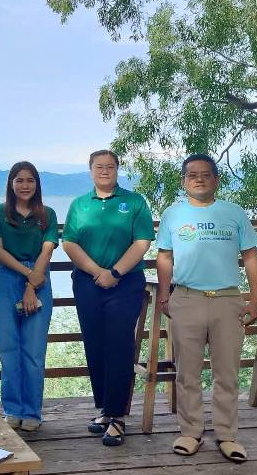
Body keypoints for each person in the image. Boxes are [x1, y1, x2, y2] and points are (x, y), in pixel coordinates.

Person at [157, 153, 257, 464]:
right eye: (192, 175)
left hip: (228, 301)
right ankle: (191, 432)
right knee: (187, 372)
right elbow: (164, 257)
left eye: (205, 174)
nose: (199, 179)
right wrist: (164, 296)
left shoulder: (234, 213)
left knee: (226, 372)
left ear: (216, 179)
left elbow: (251, 257)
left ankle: (227, 435)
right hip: (187, 298)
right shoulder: (172, 215)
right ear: (183, 181)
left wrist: (255, 299)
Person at [61, 149, 154, 446]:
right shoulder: (79, 204)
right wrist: (97, 272)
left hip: (125, 283)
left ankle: (117, 416)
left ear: (117, 169)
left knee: (119, 345)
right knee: (95, 344)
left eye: (110, 166)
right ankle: (104, 409)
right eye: (99, 167)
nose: (104, 171)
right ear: (90, 170)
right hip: (87, 283)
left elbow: (142, 241)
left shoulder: (135, 202)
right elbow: (69, 243)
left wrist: (114, 272)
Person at [0, 161, 58, 432]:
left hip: (39, 276)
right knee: (8, 348)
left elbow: (48, 249)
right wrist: (28, 276)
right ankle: (12, 408)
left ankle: (32, 411)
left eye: (30, 180)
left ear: (37, 184)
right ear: (11, 184)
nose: (25, 185)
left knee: (34, 350)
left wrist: (32, 283)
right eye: (19, 180)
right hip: (7, 278)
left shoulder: (47, 214)